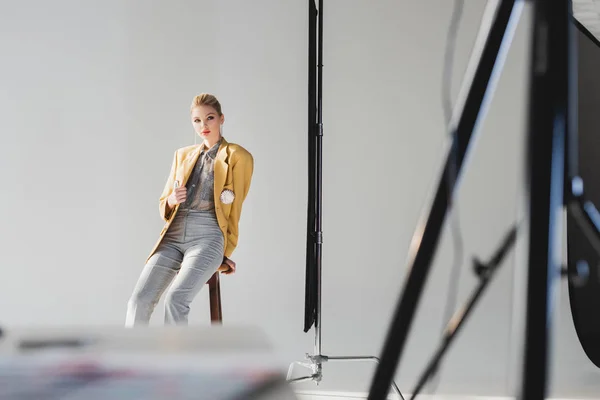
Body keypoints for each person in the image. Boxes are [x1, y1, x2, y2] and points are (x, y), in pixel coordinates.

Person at [125, 93, 254, 326]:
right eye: (197, 120)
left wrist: (224, 252)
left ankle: (175, 361)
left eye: (209, 118)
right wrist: (173, 200)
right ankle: (131, 360)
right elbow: (164, 202)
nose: (203, 126)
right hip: (174, 234)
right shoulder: (182, 155)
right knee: (139, 300)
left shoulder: (238, 156)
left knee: (176, 299)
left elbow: (235, 208)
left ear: (221, 119)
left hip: (208, 234)